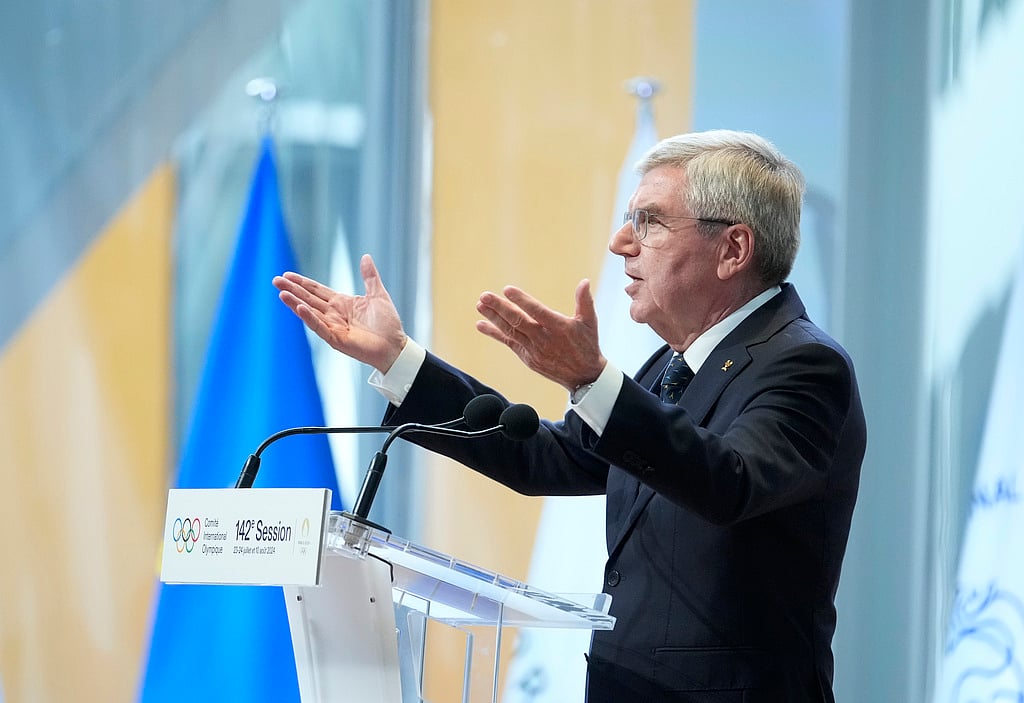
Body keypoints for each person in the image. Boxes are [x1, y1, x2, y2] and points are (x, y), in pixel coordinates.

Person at [273, 129, 866, 702]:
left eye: (649, 221)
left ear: (733, 249)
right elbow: (547, 458)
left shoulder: (805, 366)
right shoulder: (673, 364)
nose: (620, 242)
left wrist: (591, 379)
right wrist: (399, 362)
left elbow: (730, 482)